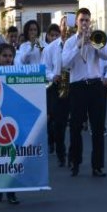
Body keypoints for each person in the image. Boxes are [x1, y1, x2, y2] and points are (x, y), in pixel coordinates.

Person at [62, 8, 107, 178]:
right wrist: (78, 45)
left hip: (96, 86)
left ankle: (97, 166)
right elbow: (65, 64)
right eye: (82, 20)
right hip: (78, 87)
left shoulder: (96, 37)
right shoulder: (70, 42)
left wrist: (94, 44)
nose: (84, 23)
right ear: (76, 22)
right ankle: (75, 162)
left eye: (87, 20)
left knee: (97, 127)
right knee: (75, 127)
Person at [0, 43, 20, 205]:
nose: (8, 59)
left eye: (10, 56)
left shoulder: (19, 72)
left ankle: (11, 191)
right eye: (5, 56)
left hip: (13, 118)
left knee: (12, 155)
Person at [40, 23, 62, 162]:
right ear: (47, 36)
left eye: (56, 35)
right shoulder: (48, 49)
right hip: (52, 86)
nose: (54, 37)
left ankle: (61, 149)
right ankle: (51, 142)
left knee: (61, 120)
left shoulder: (67, 45)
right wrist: (53, 76)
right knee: (52, 117)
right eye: (51, 35)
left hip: (67, 85)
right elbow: (44, 69)